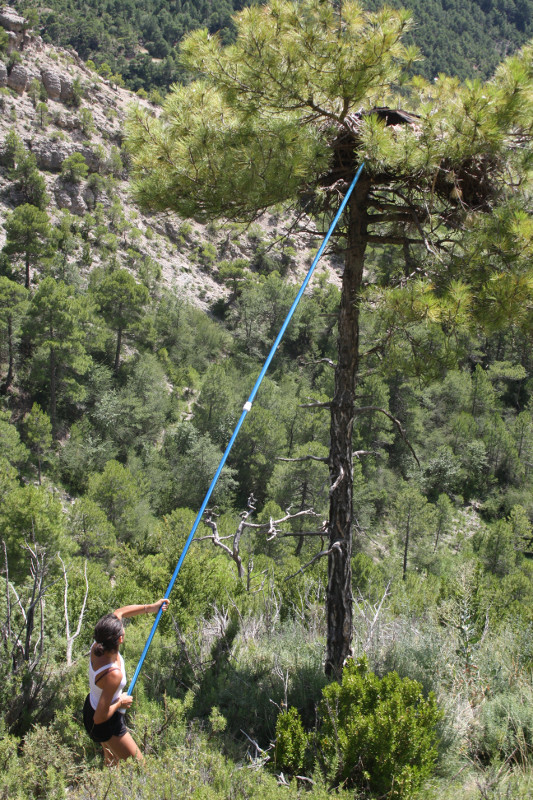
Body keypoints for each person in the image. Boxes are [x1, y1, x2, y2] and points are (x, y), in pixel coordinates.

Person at [83, 598, 170, 766]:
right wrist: (120, 702)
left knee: (112, 761)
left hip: (90, 706)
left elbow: (120, 612)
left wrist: (150, 607)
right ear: (120, 640)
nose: (122, 624)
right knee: (140, 767)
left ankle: (105, 788)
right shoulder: (112, 674)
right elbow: (99, 718)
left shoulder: (98, 644)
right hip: (104, 723)